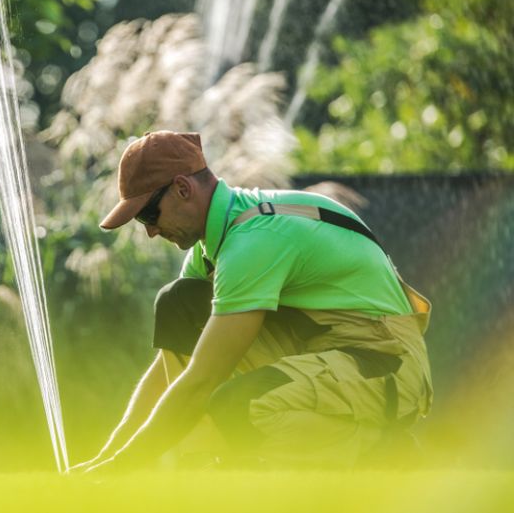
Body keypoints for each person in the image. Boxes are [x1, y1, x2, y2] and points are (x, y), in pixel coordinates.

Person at [71, 130, 432, 472]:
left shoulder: (253, 240)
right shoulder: (216, 243)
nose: (150, 231)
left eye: (148, 215)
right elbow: (170, 365)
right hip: (322, 347)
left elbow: (201, 379)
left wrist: (123, 466)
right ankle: (202, 467)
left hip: (384, 362)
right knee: (179, 303)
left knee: (241, 407)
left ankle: (381, 448)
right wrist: (106, 458)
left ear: (182, 188)